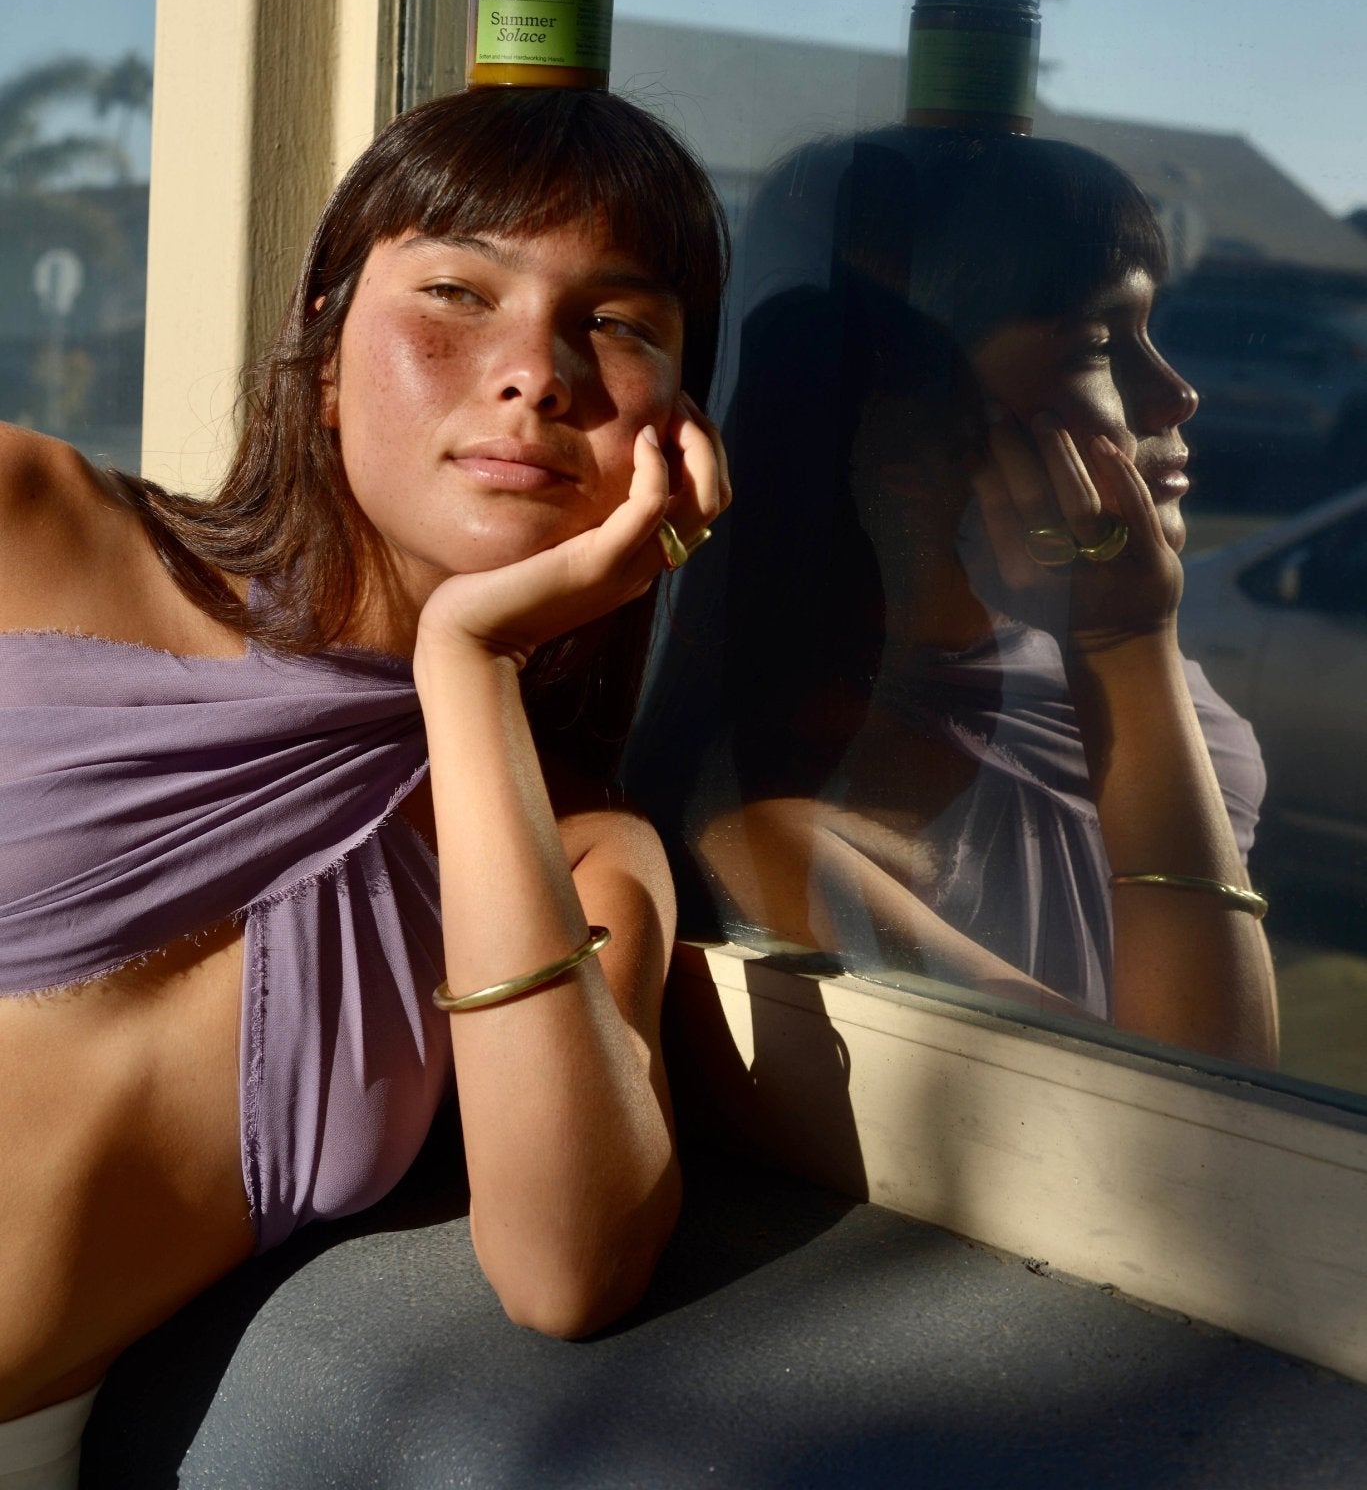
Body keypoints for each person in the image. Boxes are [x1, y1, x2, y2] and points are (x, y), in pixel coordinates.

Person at [0, 87, 731, 1488]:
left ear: (676, 435)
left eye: (619, 324)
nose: (535, 371)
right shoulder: (31, 528)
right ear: (324, 355)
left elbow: (565, 1267)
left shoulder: (578, 855)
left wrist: (469, 660)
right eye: (457, 292)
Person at [686, 129, 1277, 1069]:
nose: (1174, 394)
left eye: (1150, 334)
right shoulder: (784, 821)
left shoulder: (1099, 680)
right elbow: (1201, 1115)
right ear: (910, 437)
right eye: (1097, 342)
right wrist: (1125, 646)